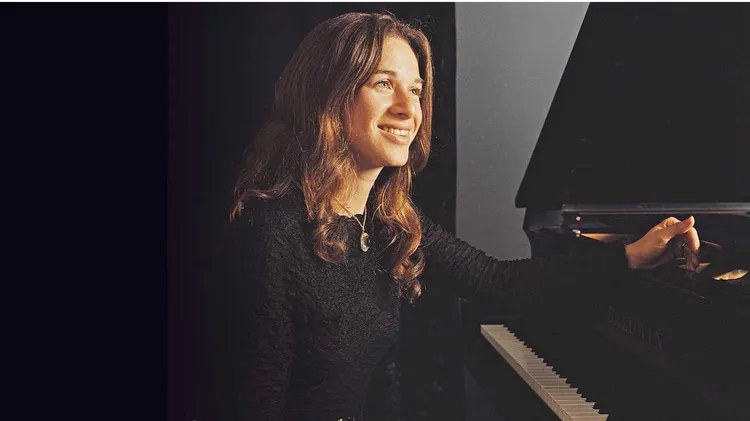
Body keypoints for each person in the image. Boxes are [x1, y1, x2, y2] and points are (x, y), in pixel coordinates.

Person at [207, 11, 701, 421]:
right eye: (383, 83)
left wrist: (629, 257)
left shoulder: (386, 220)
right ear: (327, 96)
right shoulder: (272, 235)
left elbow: (498, 281)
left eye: (415, 90)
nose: (408, 109)